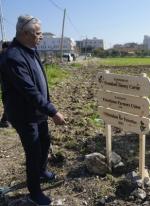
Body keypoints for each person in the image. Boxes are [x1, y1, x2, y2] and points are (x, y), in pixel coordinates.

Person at [0, 15, 65, 205]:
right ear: (25, 34)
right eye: (38, 33)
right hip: (23, 114)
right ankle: (35, 192)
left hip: (38, 111)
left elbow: (40, 82)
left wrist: (47, 107)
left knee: (45, 141)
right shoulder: (12, 57)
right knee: (33, 150)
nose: (41, 37)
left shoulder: (31, 49)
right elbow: (29, 90)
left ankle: (42, 171)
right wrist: (53, 111)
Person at [0, 42, 10, 127]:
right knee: (8, 103)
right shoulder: (4, 56)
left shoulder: (4, 56)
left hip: (6, 84)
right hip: (6, 85)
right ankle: (4, 120)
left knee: (8, 103)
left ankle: (5, 120)